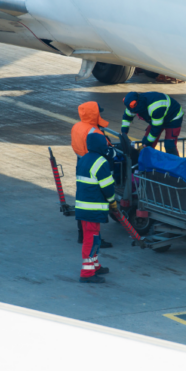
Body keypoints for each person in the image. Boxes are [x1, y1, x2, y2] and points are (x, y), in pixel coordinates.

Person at [75, 133, 117, 284]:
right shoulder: (101, 162)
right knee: (91, 239)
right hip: (92, 208)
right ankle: (87, 272)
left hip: (82, 207)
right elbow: (108, 187)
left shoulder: (83, 159)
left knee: (94, 237)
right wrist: (112, 202)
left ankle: (95, 265)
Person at [71, 102, 114, 248]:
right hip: (94, 165)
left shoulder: (77, 126)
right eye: (98, 112)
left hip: (81, 162)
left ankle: (81, 235)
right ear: (93, 114)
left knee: (82, 198)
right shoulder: (94, 132)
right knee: (93, 203)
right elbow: (106, 150)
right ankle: (96, 239)